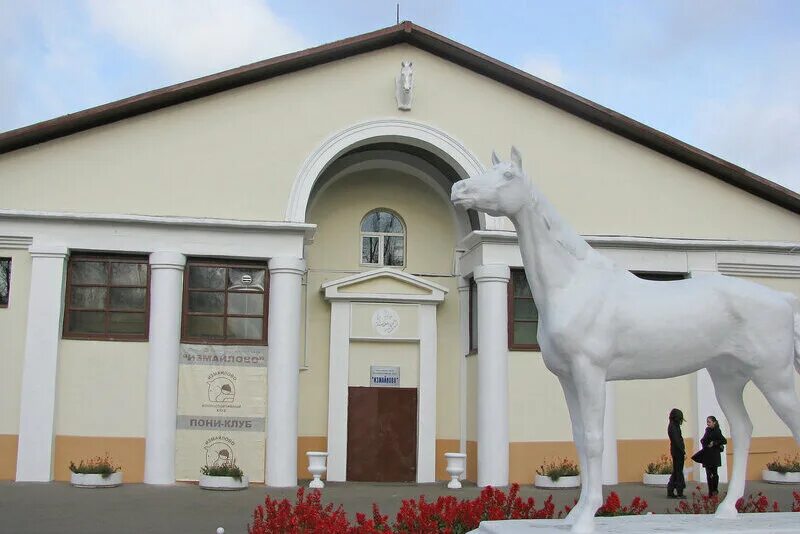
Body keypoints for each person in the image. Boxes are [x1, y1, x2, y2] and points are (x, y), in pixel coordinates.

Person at [698, 415, 727, 496]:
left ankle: (715, 489)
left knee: (714, 473)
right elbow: (703, 440)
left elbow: (724, 441)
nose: (708, 424)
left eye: (709, 422)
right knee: (708, 473)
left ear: (714, 422)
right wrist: (705, 443)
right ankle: (710, 491)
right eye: (707, 422)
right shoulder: (707, 430)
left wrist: (714, 443)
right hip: (707, 454)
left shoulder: (717, 431)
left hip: (714, 455)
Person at [667, 408, 686, 499]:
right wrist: (683, 452)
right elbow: (677, 441)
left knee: (676, 471)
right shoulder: (674, 427)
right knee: (678, 472)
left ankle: (670, 490)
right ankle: (679, 491)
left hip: (675, 451)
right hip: (677, 452)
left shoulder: (673, 425)